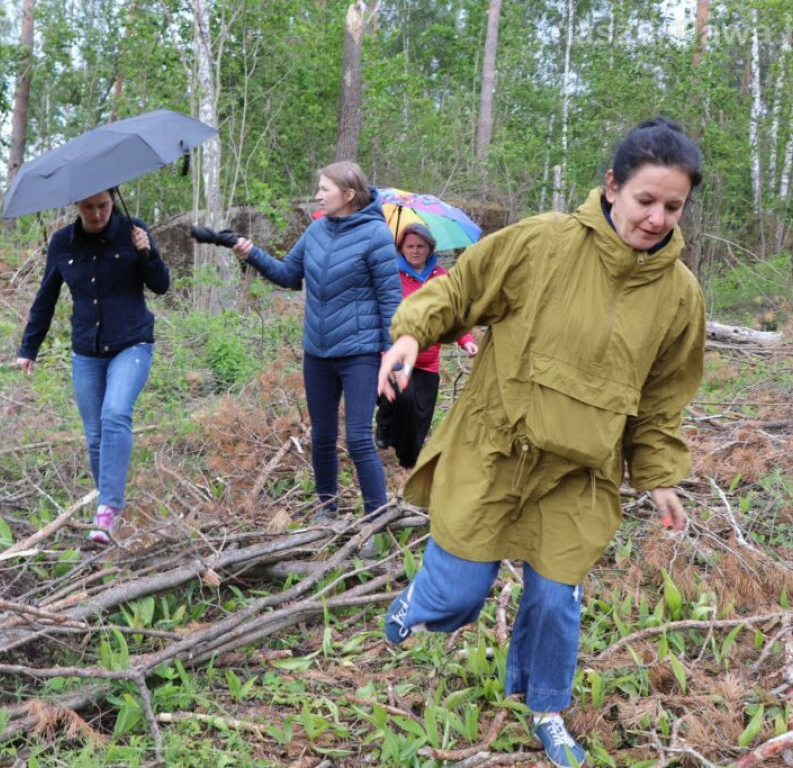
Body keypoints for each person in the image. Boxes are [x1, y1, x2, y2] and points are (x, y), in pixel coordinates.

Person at [377, 117, 705, 767]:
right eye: (645, 200)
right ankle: (421, 600)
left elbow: (662, 401)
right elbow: (459, 291)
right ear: (612, 187)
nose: (656, 218)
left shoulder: (679, 297)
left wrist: (660, 474)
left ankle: (546, 708)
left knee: (556, 601)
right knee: (458, 600)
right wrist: (414, 334)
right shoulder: (542, 244)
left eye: (673, 206)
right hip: (495, 452)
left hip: (577, 477)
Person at [231, 161, 400, 532]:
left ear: (349, 195)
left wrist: (395, 357)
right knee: (322, 435)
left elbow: (392, 300)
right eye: (319, 188)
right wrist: (252, 254)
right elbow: (289, 275)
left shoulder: (376, 236)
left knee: (358, 438)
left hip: (360, 352)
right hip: (318, 353)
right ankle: (328, 510)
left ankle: (376, 521)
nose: (318, 195)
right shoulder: (316, 230)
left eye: (325, 189)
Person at [16, 188, 169, 544]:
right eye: (89, 207)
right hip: (86, 350)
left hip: (132, 343)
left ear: (112, 201)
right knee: (96, 436)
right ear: (77, 206)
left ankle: (108, 508)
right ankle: (112, 520)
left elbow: (161, 285)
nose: (97, 214)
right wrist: (29, 348)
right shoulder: (62, 243)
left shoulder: (133, 231)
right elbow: (46, 298)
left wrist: (146, 251)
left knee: (115, 414)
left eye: (103, 206)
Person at [375, 223, 478, 469]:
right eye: (410, 246)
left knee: (420, 418)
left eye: (421, 246)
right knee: (403, 397)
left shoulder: (442, 277)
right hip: (397, 356)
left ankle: (408, 460)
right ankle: (385, 429)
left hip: (429, 360)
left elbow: (453, 314)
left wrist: (467, 341)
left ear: (430, 248)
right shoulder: (392, 275)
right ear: (401, 248)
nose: (415, 251)